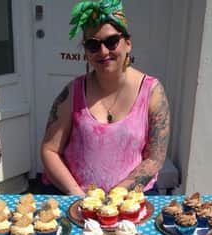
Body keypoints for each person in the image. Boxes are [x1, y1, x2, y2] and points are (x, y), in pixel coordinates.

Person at [40, 0, 170, 196]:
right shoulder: (72, 93)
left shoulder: (152, 92)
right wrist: (77, 195)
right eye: (93, 45)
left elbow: (155, 158)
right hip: (78, 201)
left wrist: (117, 194)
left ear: (128, 43)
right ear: (85, 51)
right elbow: (50, 150)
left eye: (111, 42)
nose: (103, 52)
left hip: (130, 201)